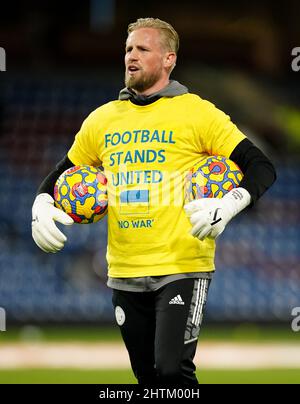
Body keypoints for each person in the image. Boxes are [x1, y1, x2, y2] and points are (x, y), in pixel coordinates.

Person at [31, 18, 276, 384]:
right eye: (128, 48)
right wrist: (40, 205)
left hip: (181, 264)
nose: (131, 55)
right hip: (124, 269)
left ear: (168, 60)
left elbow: (261, 166)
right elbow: (61, 173)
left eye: (143, 49)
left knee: (171, 371)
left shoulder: (197, 112)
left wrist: (230, 204)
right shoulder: (102, 119)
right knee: (147, 377)